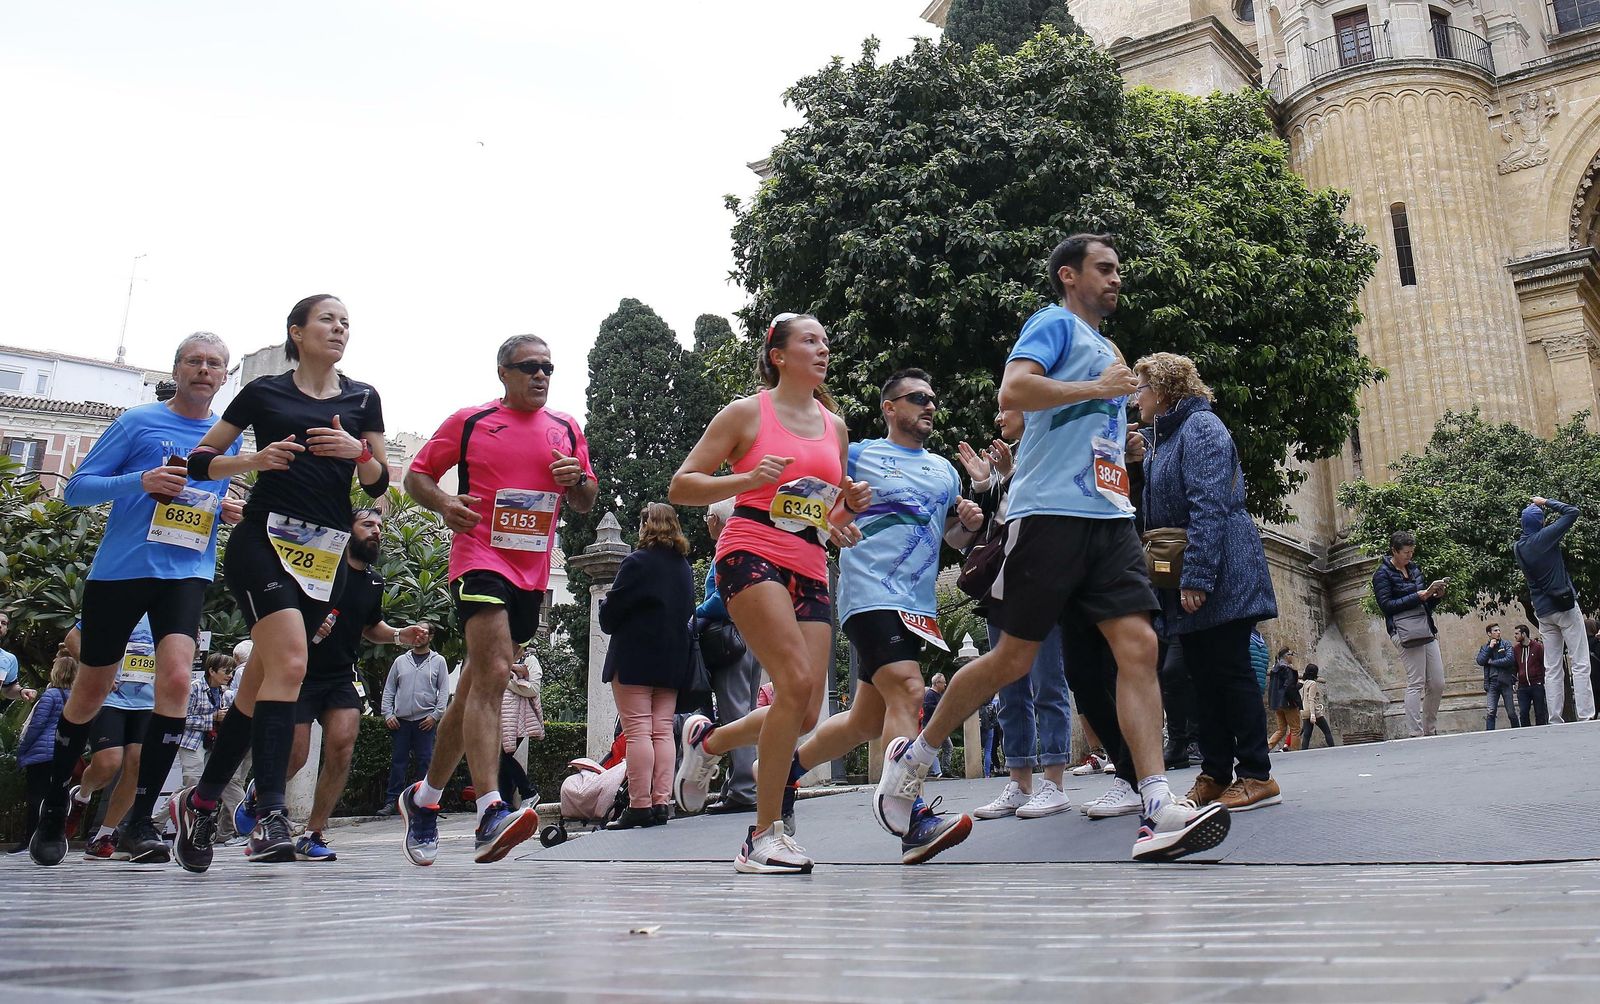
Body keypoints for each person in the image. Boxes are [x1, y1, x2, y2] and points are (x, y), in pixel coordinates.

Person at [876, 234, 1231, 863]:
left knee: (1139, 645)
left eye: (1120, 268)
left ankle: (1156, 804)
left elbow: (1096, 425)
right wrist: (1094, 391)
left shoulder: (1112, 351)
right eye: (1104, 268)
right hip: (1050, 516)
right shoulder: (1053, 325)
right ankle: (916, 756)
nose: (1117, 278)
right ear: (1069, 276)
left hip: (1110, 517)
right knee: (1012, 661)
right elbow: (1015, 391)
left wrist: (1120, 446)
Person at [690, 368, 981, 843]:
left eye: (933, 398)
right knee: (908, 689)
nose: (929, 405)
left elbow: (951, 535)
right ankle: (910, 813)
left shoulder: (945, 470)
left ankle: (772, 764)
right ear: (890, 407)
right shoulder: (859, 454)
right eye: (917, 398)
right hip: (870, 594)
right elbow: (808, 498)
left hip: (919, 605)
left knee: (866, 720)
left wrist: (969, 517)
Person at [172, 295, 389, 871]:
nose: (340, 328)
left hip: (323, 556)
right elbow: (198, 462)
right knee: (292, 662)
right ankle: (271, 815)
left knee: (259, 686)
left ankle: (200, 800)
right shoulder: (264, 393)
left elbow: (377, 483)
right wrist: (254, 461)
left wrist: (357, 451)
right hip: (262, 542)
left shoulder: (363, 398)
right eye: (327, 319)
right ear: (296, 332)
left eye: (347, 322)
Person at [668, 311, 873, 874]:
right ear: (778, 355)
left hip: (809, 559)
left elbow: (824, 510)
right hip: (750, 550)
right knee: (796, 681)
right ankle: (763, 834)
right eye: (810, 339)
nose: (822, 348)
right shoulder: (746, 412)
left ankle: (706, 745)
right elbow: (683, 485)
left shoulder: (835, 427)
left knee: (805, 710)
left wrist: (846, 509)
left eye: (825, 339)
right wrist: (747, 481)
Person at [29, 332, 242, 867]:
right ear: (176, 370)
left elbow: (204, 499)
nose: (203, 370)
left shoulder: (230, 440)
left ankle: (139, 820)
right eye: (194, 361)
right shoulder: (138, 422)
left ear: (224, 377)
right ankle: (55, 805)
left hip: (186, 570)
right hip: (122, 571)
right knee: (92, 686)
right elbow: (77, 488)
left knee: (174, 679)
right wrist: (140, 480)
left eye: (214, 364)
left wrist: (225, 512)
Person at [401, 333, 597, 865]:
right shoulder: (470, 421)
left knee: (474, 688)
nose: (540, 375)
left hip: (531, 571)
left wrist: (577, 479)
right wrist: (444, 502)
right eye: (529, 366)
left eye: (548, 368)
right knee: (491, 669)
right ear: (503, 373)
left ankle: (424, 799)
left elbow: (584, 501)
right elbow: (415, 476)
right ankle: (490, 810)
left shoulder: (566, 428)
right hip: (479, 557)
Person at [1134, 351, 1280, 811]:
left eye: (1141, 388)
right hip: (1185, 577)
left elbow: (1209, 505)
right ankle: (1215, 772)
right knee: (1201, 678)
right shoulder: (1163, 438)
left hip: (1222, 574)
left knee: (1231, 673)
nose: (1135, 398)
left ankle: (1257, 774)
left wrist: (1196, 577)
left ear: (1162, 391)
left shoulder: (1201, 429)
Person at [283, 507, 430, 861]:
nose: (376, 531)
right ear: (346, 530)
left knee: (342, 748)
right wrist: (308, 624)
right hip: (302, 672)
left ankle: (313, 832)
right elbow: (285, 606)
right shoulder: (320, 567)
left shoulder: (375, 581)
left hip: (340, 676)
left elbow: (370, 626)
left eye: (380, 526)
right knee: (297, 755)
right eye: (367, 525)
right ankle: (262, 797)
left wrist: (398, 635)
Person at [960, 408, 1077, 821]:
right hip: (1002, 588)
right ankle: (1019, 781)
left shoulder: (1052, 447)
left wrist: (1007, 476)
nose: (997, 417)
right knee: (1009, 689)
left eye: (1006, 407)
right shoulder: (1003, 457)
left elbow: (1042, 509)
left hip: (1042, 584)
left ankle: (1055, 782)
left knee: (1048, 683)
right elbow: (989, 526)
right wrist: (982, 484)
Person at [599, 503, 697, 829]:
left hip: (634, 658)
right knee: (662, 730)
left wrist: (608, 607)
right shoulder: (683, 567)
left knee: (638, 730)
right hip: (672, 660)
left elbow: (610, 615)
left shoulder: (636, 563)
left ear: (647, 526)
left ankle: (639, 804)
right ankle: (660, 802)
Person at [62, 618, 165, 860]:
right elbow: (72, 639)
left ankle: (104, 836)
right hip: (111, 699)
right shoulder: (120, 599)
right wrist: (98, 672)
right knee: (108, 763)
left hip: (149, 703)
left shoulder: (172, 609)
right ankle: (81, 796)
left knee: (137, 764)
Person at [697, 497, 762, 815]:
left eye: (707, 517)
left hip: (730, 639)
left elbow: (723, 599)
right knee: (748, 712)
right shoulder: (750, 543)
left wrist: (694, 615)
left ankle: (743, 789)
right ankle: (743, 783)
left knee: (736, 713)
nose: (706, 523)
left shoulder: (727, 545)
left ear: (717, 520)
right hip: (754, 636)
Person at [1516, 498, 1591, 723]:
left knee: (1552, 665)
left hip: (1543, 611)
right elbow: (1572, 511)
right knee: (1579, 661)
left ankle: (1555, 717)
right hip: (1564, 607)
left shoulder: (1519, 547)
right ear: (1541, 523)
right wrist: (1545, 502)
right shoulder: (1545, 537)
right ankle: (1585, 715)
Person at [1371, 530, 1447, 737]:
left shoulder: (1414, 569)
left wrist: (1434, 596)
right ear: (1394, 551)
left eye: (1412, 552)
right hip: (1403, 631)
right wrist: (1417, 596)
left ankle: (1430, 728)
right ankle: (1416, 732)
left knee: (1438, 682)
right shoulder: (1382, 574)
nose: (1409, 556)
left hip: (1424, 627)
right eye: (1406, 552)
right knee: (1417, 681)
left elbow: (1424, 605)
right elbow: (1386, 605)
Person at [378, 629, 450, 816]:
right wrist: (388, 714)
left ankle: (422, 803)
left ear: (431, 637)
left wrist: (435, 715)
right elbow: (390, 688)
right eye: (416, 633)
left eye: (424, 633)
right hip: (401, 721)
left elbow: (443, 691)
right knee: (398, 762)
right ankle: (392, 802)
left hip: (425, 721)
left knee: (425, 761)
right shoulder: (400, 661)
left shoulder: (438, 661)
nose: (419, 637)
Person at [13, 652, 75, 853]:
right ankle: (53, 834)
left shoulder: (50, 695)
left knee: (35, 797)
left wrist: (22, 751)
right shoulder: (76, 697)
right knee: (56, 795)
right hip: (63, 752)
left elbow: (36, 725)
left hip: (41, 753)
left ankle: (30, 838)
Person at [179, 655, 234, 793]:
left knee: (196, 787)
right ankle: (159, 815)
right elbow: (182, 718)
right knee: (193, 783)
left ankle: (159, 815)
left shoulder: (223, 692)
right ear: (212, 671)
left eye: (232, 671)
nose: (230, 675)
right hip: (192, 742)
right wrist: (213, 718)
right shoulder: (194, 687)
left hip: (211, 743)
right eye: (226, 671)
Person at [1475, 623, 1519, 730]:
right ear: (1489, 633)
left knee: (1511, 711)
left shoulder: (1506, 644)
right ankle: (1490, 733)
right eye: (1495, 631)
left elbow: (1509, 659)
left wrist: (1493, 662)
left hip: (1505, 680)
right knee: (1490, 711)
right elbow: (1480, 661)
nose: (1498, 632)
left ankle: (1517, 730)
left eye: (1499, 630)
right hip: (1491, 683)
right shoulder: (1485, 647)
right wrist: (1489, 648)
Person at [1513, 625, 1548, 727]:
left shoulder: (1537, 647)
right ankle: (1526, 734)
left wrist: (1543, 680)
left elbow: (1543, 664)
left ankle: (1542, 733)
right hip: (1523, 686)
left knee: (1540, 712)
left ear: (1524, 634)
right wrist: (1514, 680)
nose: (1515, 636)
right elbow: (1514, 666)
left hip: (1536, 684)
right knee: (1523, 712)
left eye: (1517, 634)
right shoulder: (1516, 649)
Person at [1266, 650, 1300, 752]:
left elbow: (1273, 687)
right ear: (1286, 656)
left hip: (1277, 703)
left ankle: (1267, 747)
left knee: (1281, 729)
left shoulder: (1275, 669)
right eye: (1291, 654)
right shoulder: (1287, 669)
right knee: (1295, 729)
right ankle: (1294, 750)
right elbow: (1289, 687)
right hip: (1288, 702)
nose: (1292, 657)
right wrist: (1296, 698)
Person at [922, 673, 955, 777]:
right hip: (932, 726)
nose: (945, 685)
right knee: (935, 748)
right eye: (943, 682)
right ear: (937, 683)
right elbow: (927, 708)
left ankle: (944, 770)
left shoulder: (939, 695)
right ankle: (936, 771)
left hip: (940, 727)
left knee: (948, 747)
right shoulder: (930, 695)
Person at [1, 611, 36, 703]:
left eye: (3, 623)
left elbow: (9, 689)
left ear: (6, 630)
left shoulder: (9, 660)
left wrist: (21, 692)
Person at [1297, 664, 1336, 749]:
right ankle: (1333, 749)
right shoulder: (1313, 683)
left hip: (1304, 710)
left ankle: (1304, 751)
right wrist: (1313, 714)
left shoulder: (1304, 682)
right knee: (1327, 731)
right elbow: (1311, 699)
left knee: (1307, 735)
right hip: (1313, 711)